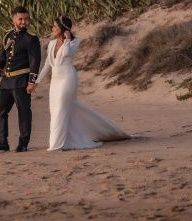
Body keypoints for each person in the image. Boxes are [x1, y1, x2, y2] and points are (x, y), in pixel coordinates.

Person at [35, 16, 130, 151]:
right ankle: (80, 136)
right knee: (56, 110)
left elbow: (67, 53)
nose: (52, 29)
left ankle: (56, 144)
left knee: (61, 109)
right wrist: (36, 82)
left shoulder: (74, 42)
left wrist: (67, 39)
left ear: (63, 29)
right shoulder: (51, 44)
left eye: (55, 27)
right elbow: (47, 65)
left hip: (67, 79)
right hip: (55, 82)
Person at [0, 6, 41, 152]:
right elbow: (3, 58)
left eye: (26, 19)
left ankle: (23, 144)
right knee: (0, 111)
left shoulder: (31, 38)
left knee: (24, 112)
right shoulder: (8, 36)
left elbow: (35, 61)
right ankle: (1, 143)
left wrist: (32, 81)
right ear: (14, 20)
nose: (24, 22)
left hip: (21, 81)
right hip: (6, 82)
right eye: (21, 19)